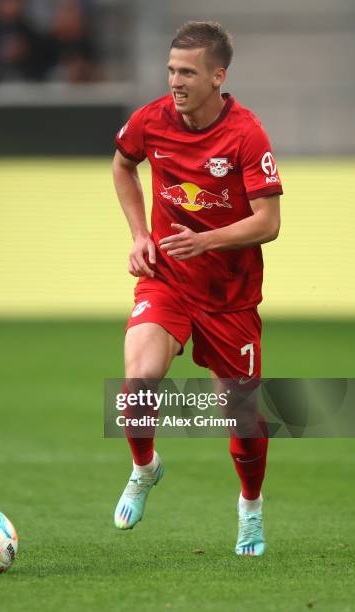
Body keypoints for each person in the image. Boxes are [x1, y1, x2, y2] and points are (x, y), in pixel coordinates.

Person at [112, 21, 282, 556]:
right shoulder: (151, 121)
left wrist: (206, 242)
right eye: (170, 70)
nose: (175, 81)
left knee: (241, 415)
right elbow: (122, 165)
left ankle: (249, 510)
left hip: (230, 296)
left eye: (187, 72)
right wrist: (142, 234)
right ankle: (145, 469)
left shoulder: (246, 134)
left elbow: (268, 222)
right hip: (168, 280)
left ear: (217, 76)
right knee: (138, 380)